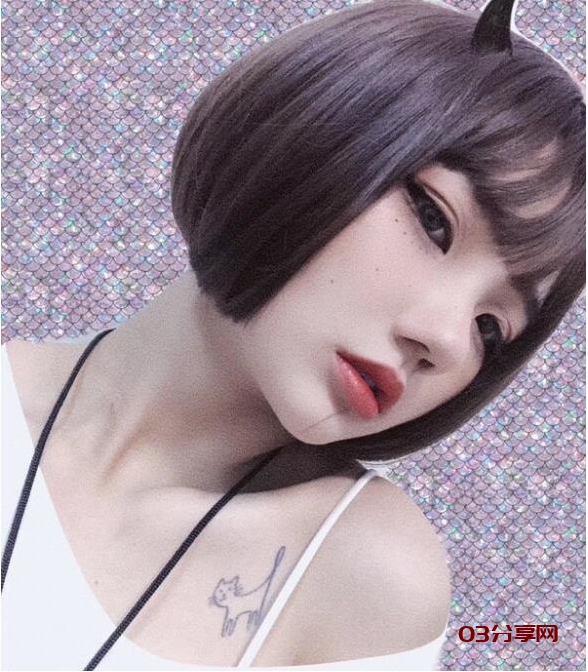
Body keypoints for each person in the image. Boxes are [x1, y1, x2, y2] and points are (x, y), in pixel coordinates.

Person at [2, 0, 584, 669]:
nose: (448, 341)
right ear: (314, 131)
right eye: (434, 219)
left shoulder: (359, 570)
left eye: (491, 327)